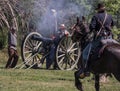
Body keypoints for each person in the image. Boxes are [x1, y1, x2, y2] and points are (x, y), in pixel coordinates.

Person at [80, 3, 115, 77]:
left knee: (85, 52)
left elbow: (92, 27)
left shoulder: (96, 16)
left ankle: (86, 70)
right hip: (109, 38)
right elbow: (112, 25)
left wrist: (95, 30)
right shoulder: (109, 16)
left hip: (100, 38)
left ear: (99, 9)